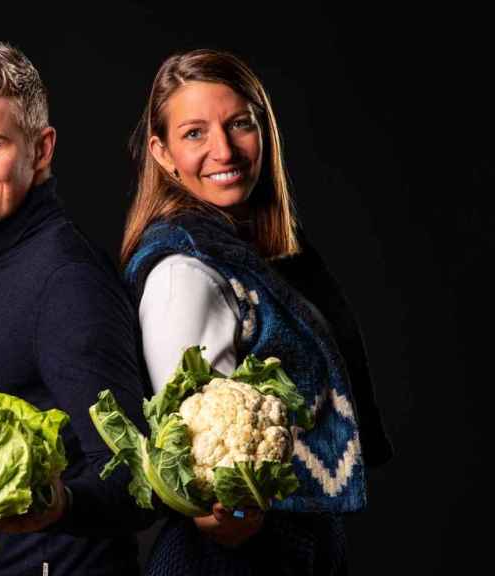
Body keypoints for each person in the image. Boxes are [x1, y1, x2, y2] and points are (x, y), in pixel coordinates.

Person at [121, 49, 394, 575]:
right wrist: (232, 512)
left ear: (264, 131)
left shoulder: (263, 255)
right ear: (162, 153)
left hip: (293, 546)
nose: (223, 150)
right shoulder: (184, 272)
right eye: (194, 133)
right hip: (233, 560)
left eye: (239, 124)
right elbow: (206, 457)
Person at [0, 43, 155, 575]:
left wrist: (59, 506)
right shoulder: (17, 260)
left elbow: (134, 476)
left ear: (42, 149)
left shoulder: (64, 280)